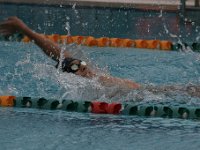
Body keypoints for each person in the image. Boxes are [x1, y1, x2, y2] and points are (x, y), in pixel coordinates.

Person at [0, 17, 140, 93]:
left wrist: (25, 30)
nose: (82, 67)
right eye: (75, 68)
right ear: (70, 77)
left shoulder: (94, 76)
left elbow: (58, 53)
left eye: (80, 64)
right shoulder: (89, 88)